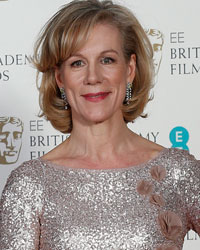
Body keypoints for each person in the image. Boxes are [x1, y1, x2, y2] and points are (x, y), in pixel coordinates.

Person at [0, 0, 199, 249]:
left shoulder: (179, 173)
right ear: (60, 78)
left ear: (129, 69)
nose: (93, 77)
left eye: (107, 60)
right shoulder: (30, 184)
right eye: (77, 63)